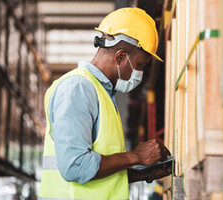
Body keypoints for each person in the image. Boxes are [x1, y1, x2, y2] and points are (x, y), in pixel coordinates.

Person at [38, 7, 172, 200]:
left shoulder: (103, 93)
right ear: (120, 56)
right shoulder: (78, 88)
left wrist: (147, 173)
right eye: (140, 65)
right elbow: (76, 166)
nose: (139, 74)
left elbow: (101, 176)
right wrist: (136, 156)